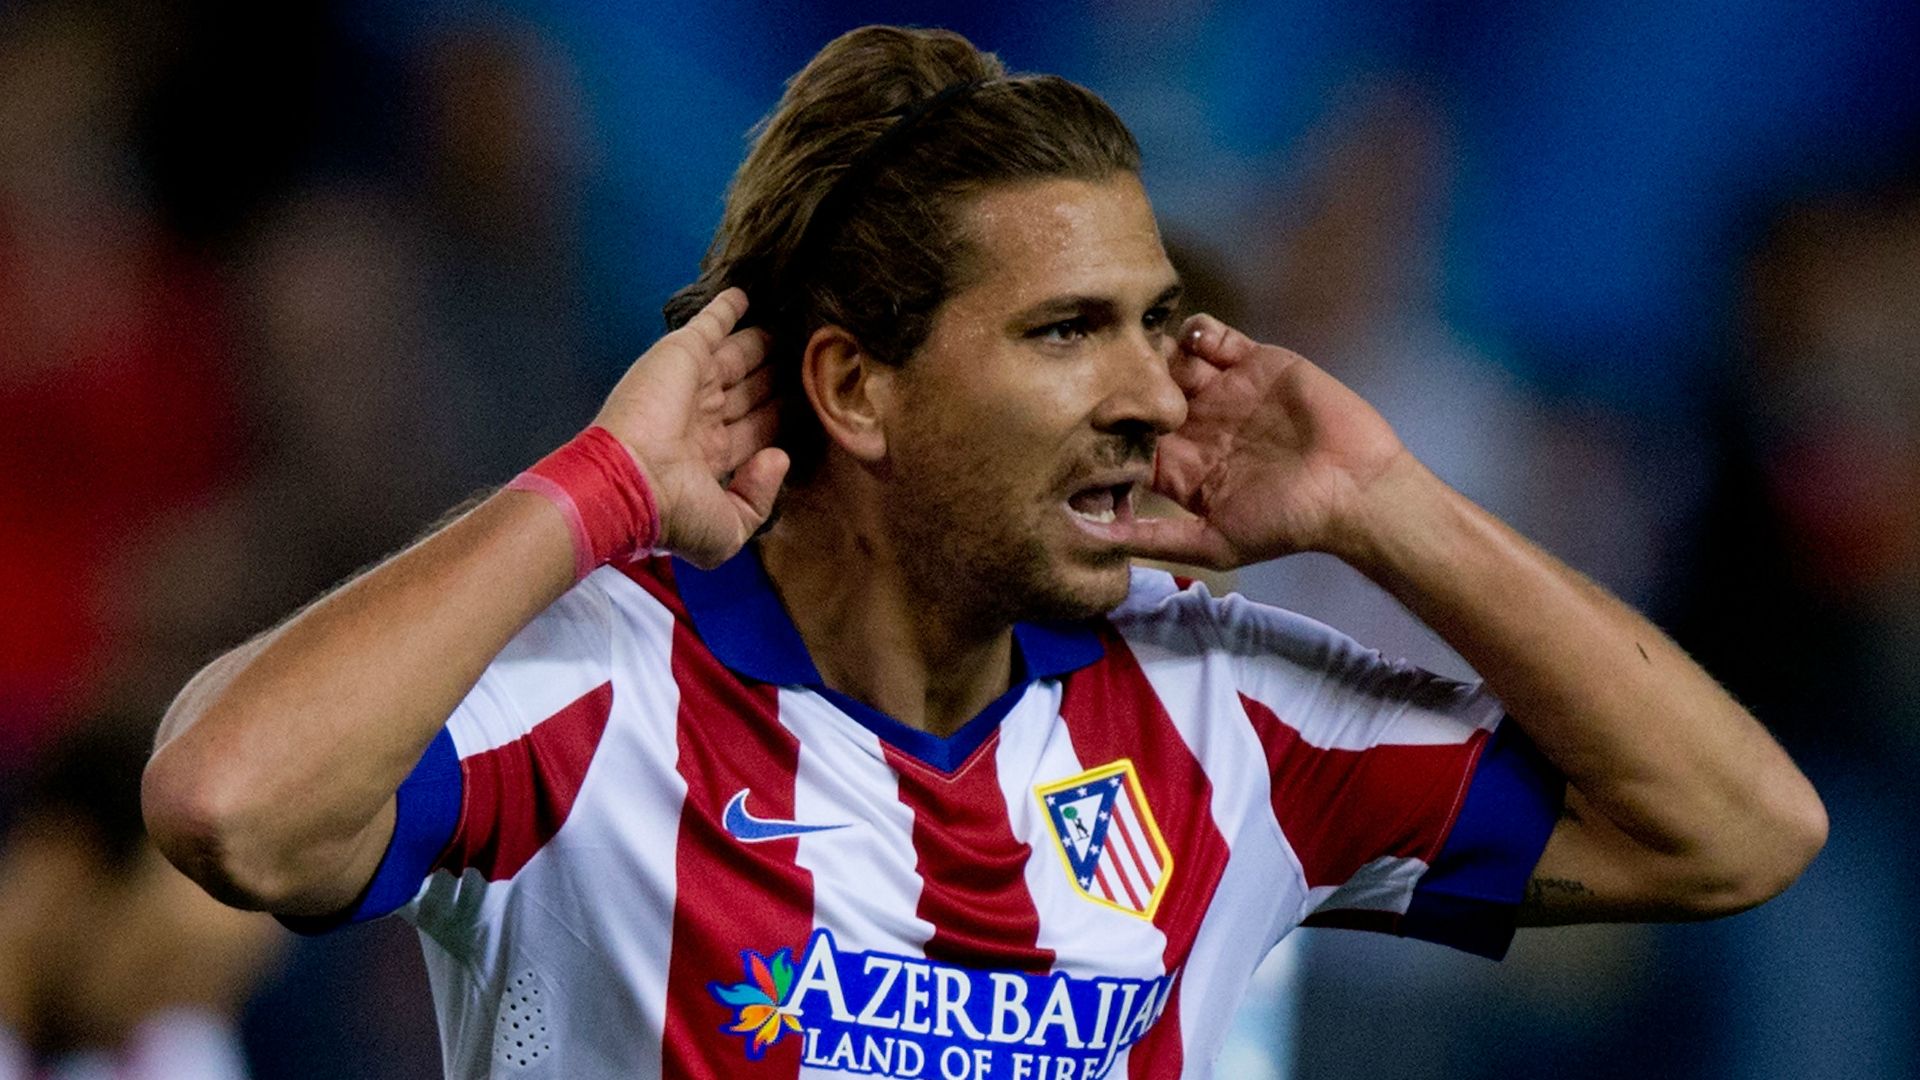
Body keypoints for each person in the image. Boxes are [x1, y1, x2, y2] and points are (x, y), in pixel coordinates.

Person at [142, 25, 1826, 1079]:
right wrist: (594, 488)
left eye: (1160, 325)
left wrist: (1391, 506)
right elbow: (228, 802)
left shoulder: (1229, 720)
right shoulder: (602, 691)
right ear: (856, 389)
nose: (1153, 389)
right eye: (1068, 332)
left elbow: (1736, 832)